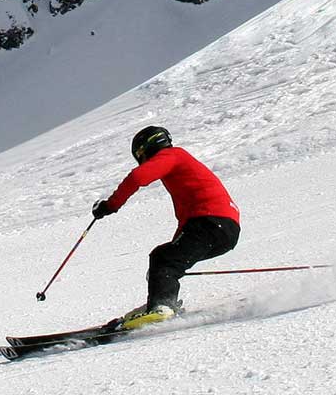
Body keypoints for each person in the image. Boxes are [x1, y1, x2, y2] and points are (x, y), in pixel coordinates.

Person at [94, 126, 240, 329]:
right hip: (221, 227)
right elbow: (188, 221)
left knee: (165, 260)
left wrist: (110, 205)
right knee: (164, 257)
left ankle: (162, 307)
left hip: (211, 222)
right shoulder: (179, 164)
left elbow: (137, 178)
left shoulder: (172, 155)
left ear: (144, 150)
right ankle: (161, 303)